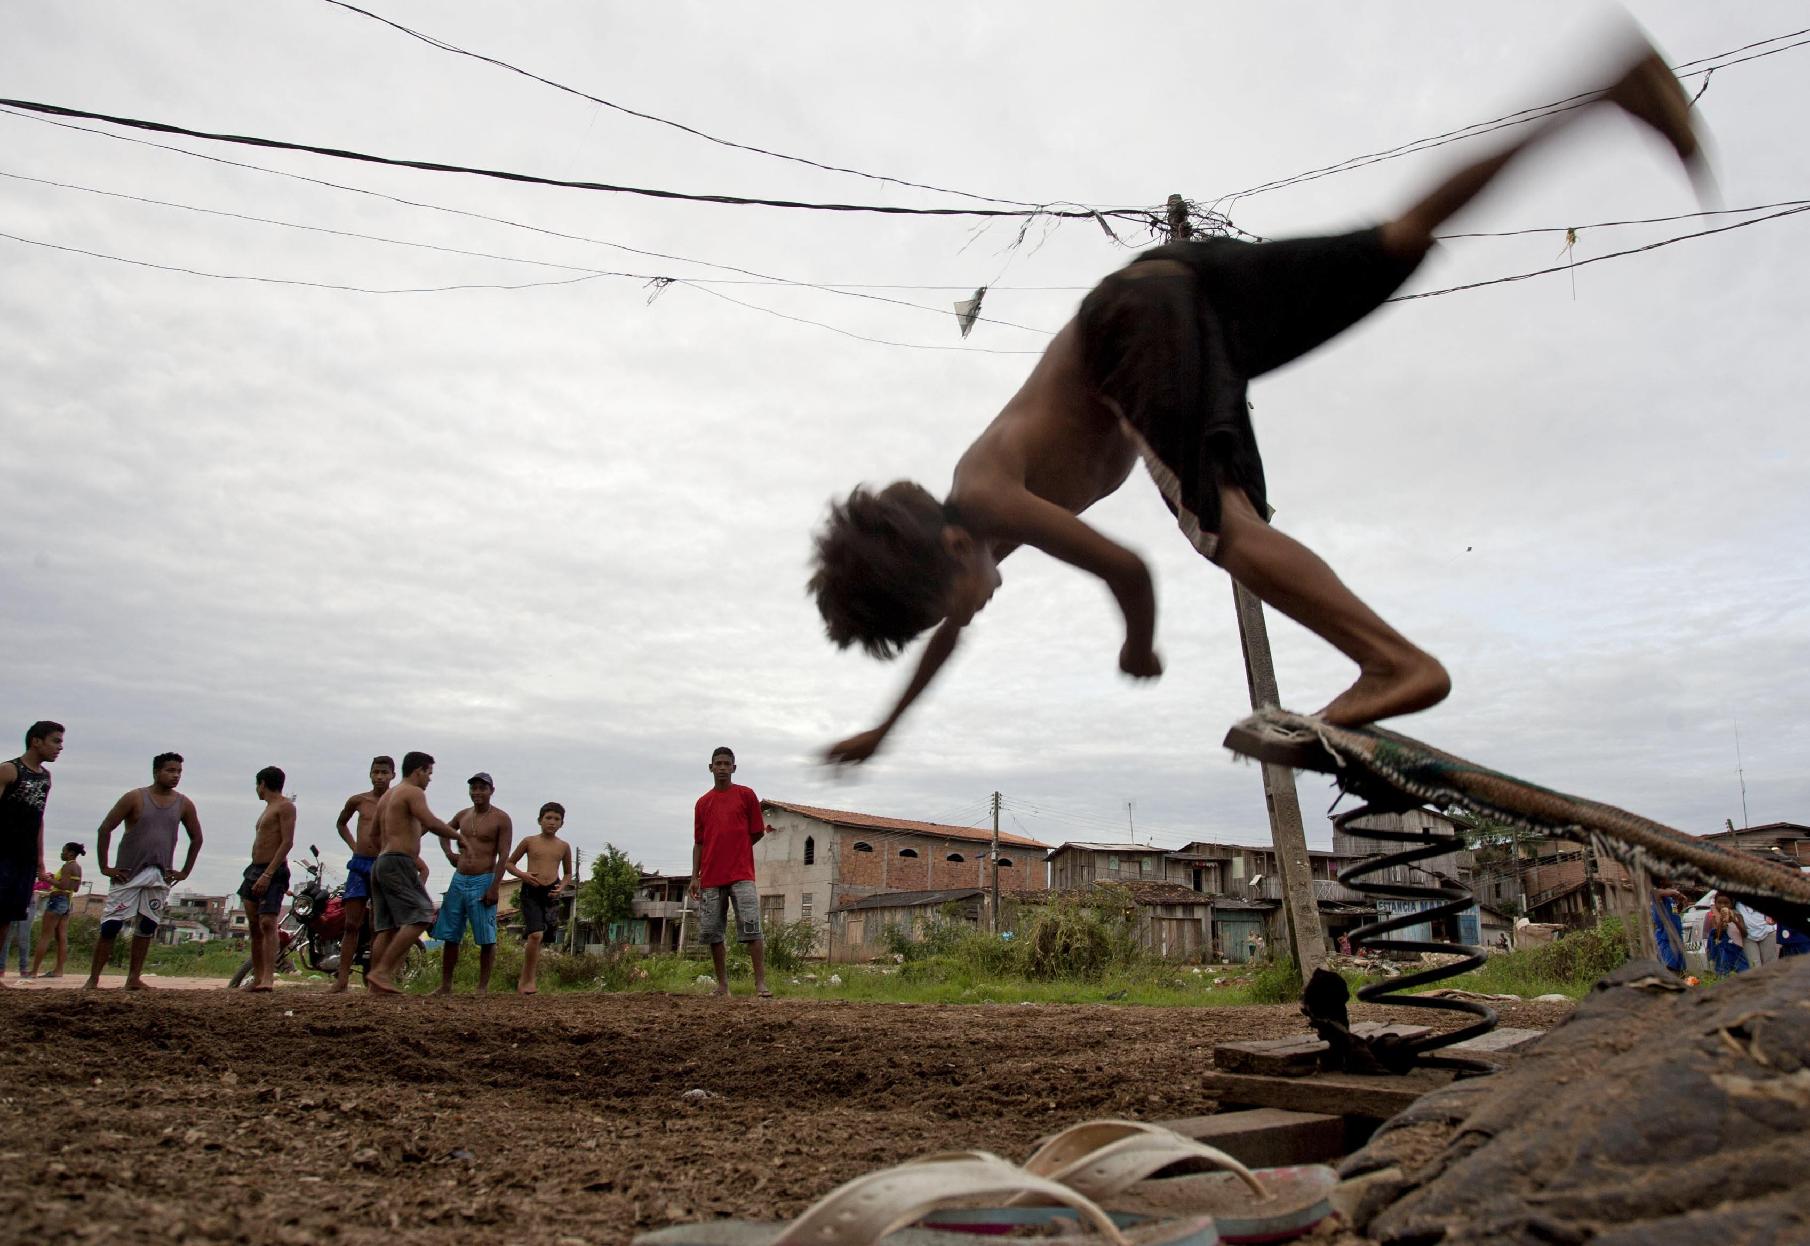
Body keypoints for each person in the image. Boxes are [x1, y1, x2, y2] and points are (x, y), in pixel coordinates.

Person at [808, 42, 1705, 763]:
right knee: (1398, 238)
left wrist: (1139, 646)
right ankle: (1604, 93)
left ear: (956, 548)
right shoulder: (985, 522)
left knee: (1225, 531)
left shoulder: (996, 495)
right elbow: (944, 640)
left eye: (950, 602)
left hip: (1131, 327)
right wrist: (888, 731)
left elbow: (1130, 570)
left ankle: (1395, 663)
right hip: (1184, 289)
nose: (963, 617)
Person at [84, 753, 204, 990]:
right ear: (156, 772)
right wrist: (105, 867)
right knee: (111, 925)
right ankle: (93, 979)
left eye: (179, 771)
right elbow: (105, 829)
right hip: (128, 872)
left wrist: (184, 871)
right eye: (170, 770)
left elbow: (197, 838)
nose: (176, 776)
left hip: (159, 874)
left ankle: (133, 978)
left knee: (147, 925)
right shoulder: (135, 798)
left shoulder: (184, 803)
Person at [365, 751, 459, 995]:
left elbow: (373, 834)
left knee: (387, 928)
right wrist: (459, 837)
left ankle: (375, 988)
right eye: (428, 773)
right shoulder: (412, 791)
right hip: (398, 862)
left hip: (382, 861)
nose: (429, 779)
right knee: (422, 915)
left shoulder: (387, 796)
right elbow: (431, 820)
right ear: (418, 771)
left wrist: (389, 850)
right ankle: (381, 972)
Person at [691, 746, 770, 998]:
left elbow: (757, 831)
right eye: (718, 763)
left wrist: (739, 849)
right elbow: (699, 842)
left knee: (751, 926)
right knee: (713, 932)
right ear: (710, 767)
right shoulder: (703, 803)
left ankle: (760, 984)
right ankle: (723, 985)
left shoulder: (746, 796)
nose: (722, 767)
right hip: (711, 877)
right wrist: (695, 876)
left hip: (741, 874)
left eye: (727, 763)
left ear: (734, 768)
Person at [431, 772, 513, 995]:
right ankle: (446, 985)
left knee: (486, 936)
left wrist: (494, 886)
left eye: (482, 788)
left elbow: (504, 854)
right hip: (459, 878)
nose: (477, 792)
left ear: (491, 791)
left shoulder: (501, 818)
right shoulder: (463, 815)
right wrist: (449, 853)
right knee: (450, 934)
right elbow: (443, 832)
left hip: (483, 878)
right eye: (474, 788)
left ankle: (482, 987)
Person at [328, 755, 395, 993]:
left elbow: (418, 826)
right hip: (359, 864)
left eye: (384, 773)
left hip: (383, 864)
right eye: (376, 772)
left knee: (378, 925)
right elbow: (341, 824)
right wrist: (353, 845)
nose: (380, 777)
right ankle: (342, 979)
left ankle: (374, 981)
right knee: (351, 924)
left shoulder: (395, 801)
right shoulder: (359, 800)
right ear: (370, 774)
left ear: (393, 776)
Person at [0, 722, 64, 962]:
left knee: (7, 914)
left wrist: (39, 861)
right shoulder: (9, 770)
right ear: (36, 741)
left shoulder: (46, 777)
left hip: (24, 857)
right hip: (3, 853)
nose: (60, 747)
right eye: (55, 741)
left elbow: (39, 818)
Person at [238, 766, 297, 992]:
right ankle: (257, 976)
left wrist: (269, 873)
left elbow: (287, 841)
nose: (257, 789)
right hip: (254, 868)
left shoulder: (285, 806)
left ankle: (268, 978)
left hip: (272, 870)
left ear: (262, 784)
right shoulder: (267, 808)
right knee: (254, 925)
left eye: (257, 785)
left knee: (267, 922)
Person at [507, 801, 575, 995]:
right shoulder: (529, 841)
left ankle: (530, 979)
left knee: (543, 938)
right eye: (548, 818)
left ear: (562, 823)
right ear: (540, 820)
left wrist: (561, 887)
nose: (552, 822)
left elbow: (568, 873)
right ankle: (526, 981)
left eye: (556, 819)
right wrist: (523, 875)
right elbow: (509, 863)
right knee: (535, 934)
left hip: (551, 892)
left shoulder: (563, 846)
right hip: (531, 890)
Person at [29, 842, 84, 978]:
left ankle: (34, 971)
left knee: (45, 936)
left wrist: (47, 879)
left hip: (57, 901)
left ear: (70, 853)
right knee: (62, 937)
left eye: (64, 851)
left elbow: (63, 885)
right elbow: (75, 888)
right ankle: (59, 970)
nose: (62, 853)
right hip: (67, 902)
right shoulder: (77, 867)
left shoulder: (67, 866)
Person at [1703, 892, 1749, 976]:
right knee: (1723, 974)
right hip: (1723, 950)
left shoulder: (1738, 916)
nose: (1722, 906)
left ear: (1731, 904)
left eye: (1726, 903)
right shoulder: (1714, 917)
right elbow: (1717, 935)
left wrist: (1734, 921)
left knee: (1744, 972)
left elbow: (1745, 934)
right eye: (1719, 903)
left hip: (1738, 950)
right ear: (1715, 903)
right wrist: (1721, 922)